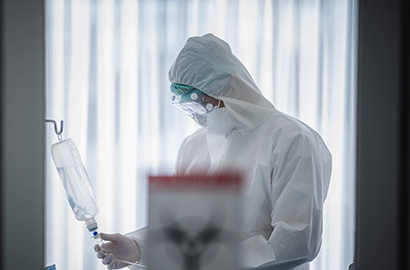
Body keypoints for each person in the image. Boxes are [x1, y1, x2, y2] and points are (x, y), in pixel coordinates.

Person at [95, 33, 332, 270]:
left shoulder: (292, 140)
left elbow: (296, 242)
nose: (197, 114)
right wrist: (138, 248)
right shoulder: (193, 147)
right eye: (186, 105)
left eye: (199, 101)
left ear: (228, 85)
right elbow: (182, 228)